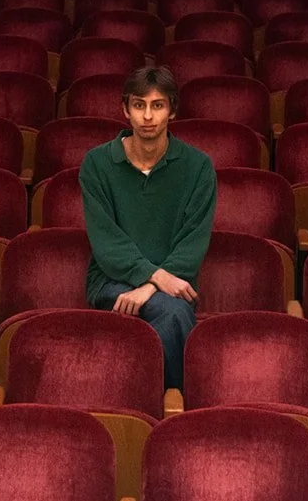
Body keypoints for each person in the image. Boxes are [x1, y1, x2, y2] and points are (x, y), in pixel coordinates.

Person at [80, 64, 217, 391]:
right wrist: (155, 277)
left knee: (173, 312)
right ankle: (170, 405)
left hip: (174, 283)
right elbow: (107, 242)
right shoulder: (96, 163)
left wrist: (150, 286)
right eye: (139, 105)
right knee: (174, 314)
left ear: (172, 110)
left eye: (158, 105)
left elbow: (192, 243)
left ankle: (133, 398)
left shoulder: (198, 167)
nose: (147, 116)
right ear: (125, 109)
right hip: (112, 280)